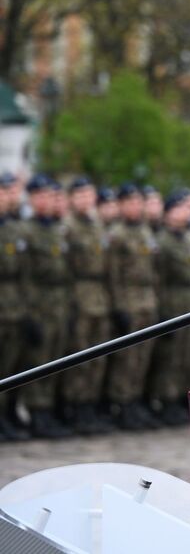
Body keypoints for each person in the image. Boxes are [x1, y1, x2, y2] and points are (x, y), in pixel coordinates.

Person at [18, 175, 73, 438]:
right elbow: (24, 277)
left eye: (50, 196)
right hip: (38, 304)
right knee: (37, 361)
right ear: (31, 198)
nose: (46, 201)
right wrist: (28, 313)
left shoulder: (56, 229)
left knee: (57, 359)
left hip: (58, 304)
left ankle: (48, 411)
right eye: (40, 195)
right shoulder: (25, 231)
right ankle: (35, 412)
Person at [60, 177, 115, 435]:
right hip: (78, 296)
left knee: (97, 357)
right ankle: (73, 406)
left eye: (88, 195)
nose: (85, 200)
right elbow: (64, 269)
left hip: (99, 297)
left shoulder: (97, 226)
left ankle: (89, 405)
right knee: (78, 356)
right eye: (79, 195)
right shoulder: (66, 227)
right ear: (72, 199)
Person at [106, 183, 160, 430]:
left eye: (139, 201)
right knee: (126, 358)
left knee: (142, 356)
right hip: (127, 298)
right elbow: (113, 274)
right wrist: (118, 306)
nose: (136, 206)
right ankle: (120, 403)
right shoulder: (116, 234)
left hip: (146, 300)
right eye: (130, 201)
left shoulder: (145, 232)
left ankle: (135, 400)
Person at [147, 189, 190, 426]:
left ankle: (179, 398)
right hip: (171, 300)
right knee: (170, 357)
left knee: (185, 355)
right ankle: (164, 400)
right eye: (181, 207)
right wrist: (162, 308)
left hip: (187, 300)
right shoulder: (163, 240)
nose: (186, 212)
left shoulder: (187, 237)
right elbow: (159, 278)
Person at [0, 172, 30, 440]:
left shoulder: (13, 226)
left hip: (13, 306)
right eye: (6, 191)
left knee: (13, 364)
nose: (11, 196)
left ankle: (8, 414)